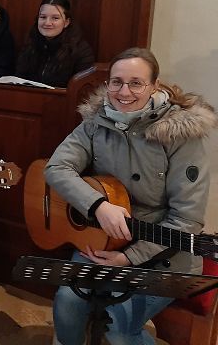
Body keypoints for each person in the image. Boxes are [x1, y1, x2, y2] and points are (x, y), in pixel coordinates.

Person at [44, 47, 217, 345]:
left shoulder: (182, 135)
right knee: (67, 301)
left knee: (119, 327)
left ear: (155, 85)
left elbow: (186, 220)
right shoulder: (95, 122)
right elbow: (56, 167)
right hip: (103, 237)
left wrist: (128, 257)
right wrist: (98, 206)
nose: (124, 92)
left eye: (136, 83)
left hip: (163, 251)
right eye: (117, 82)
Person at [15, 0, 94, 87]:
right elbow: (19, 78)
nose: (47, 23)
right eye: (43, 17)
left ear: (66, 22)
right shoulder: (30, 42)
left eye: (55, 18)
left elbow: (81, 88)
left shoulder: (81, 50)